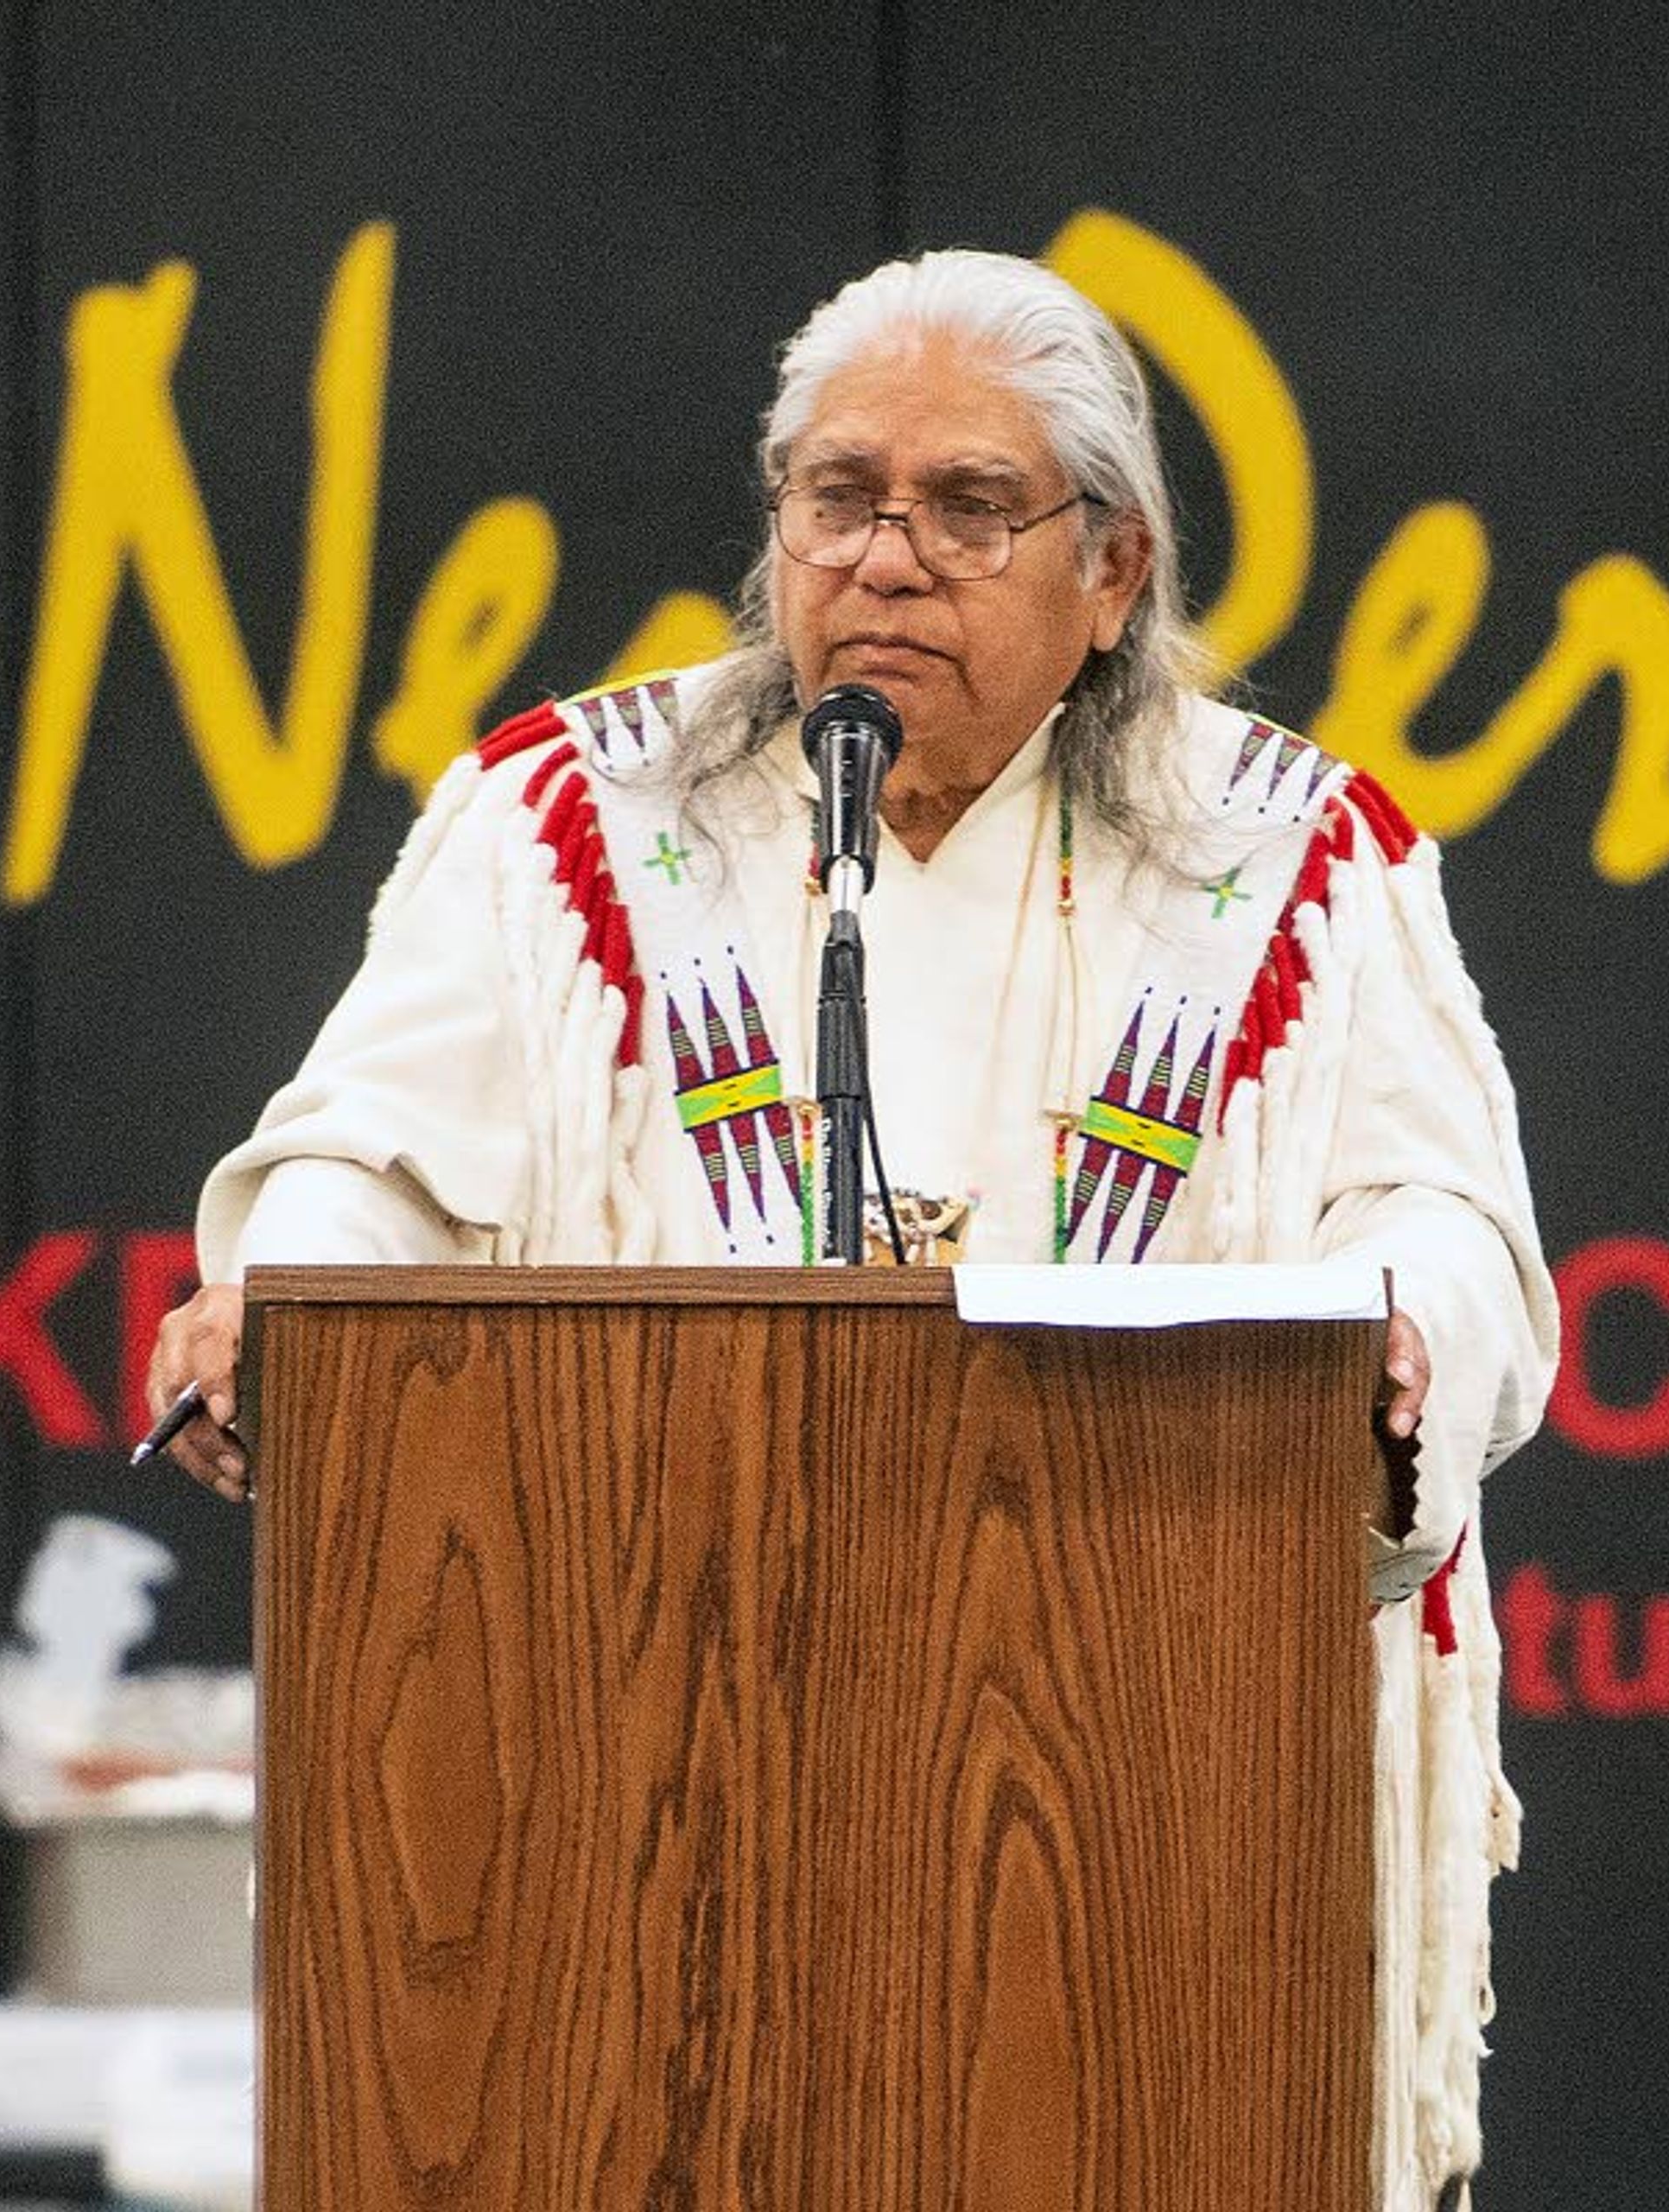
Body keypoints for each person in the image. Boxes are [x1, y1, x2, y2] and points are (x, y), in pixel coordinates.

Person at [145, 250, 1553, 2208]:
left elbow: (1444, 1215)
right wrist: (281, 1286)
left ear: (1113, 570)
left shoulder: (1291, 856)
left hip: (1134, 1776)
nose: (887, 560)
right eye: (838, 496)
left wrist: (1410, 1324)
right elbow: (372, 1154)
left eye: (971, 508)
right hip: (635, 1741)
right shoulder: (567, 818)